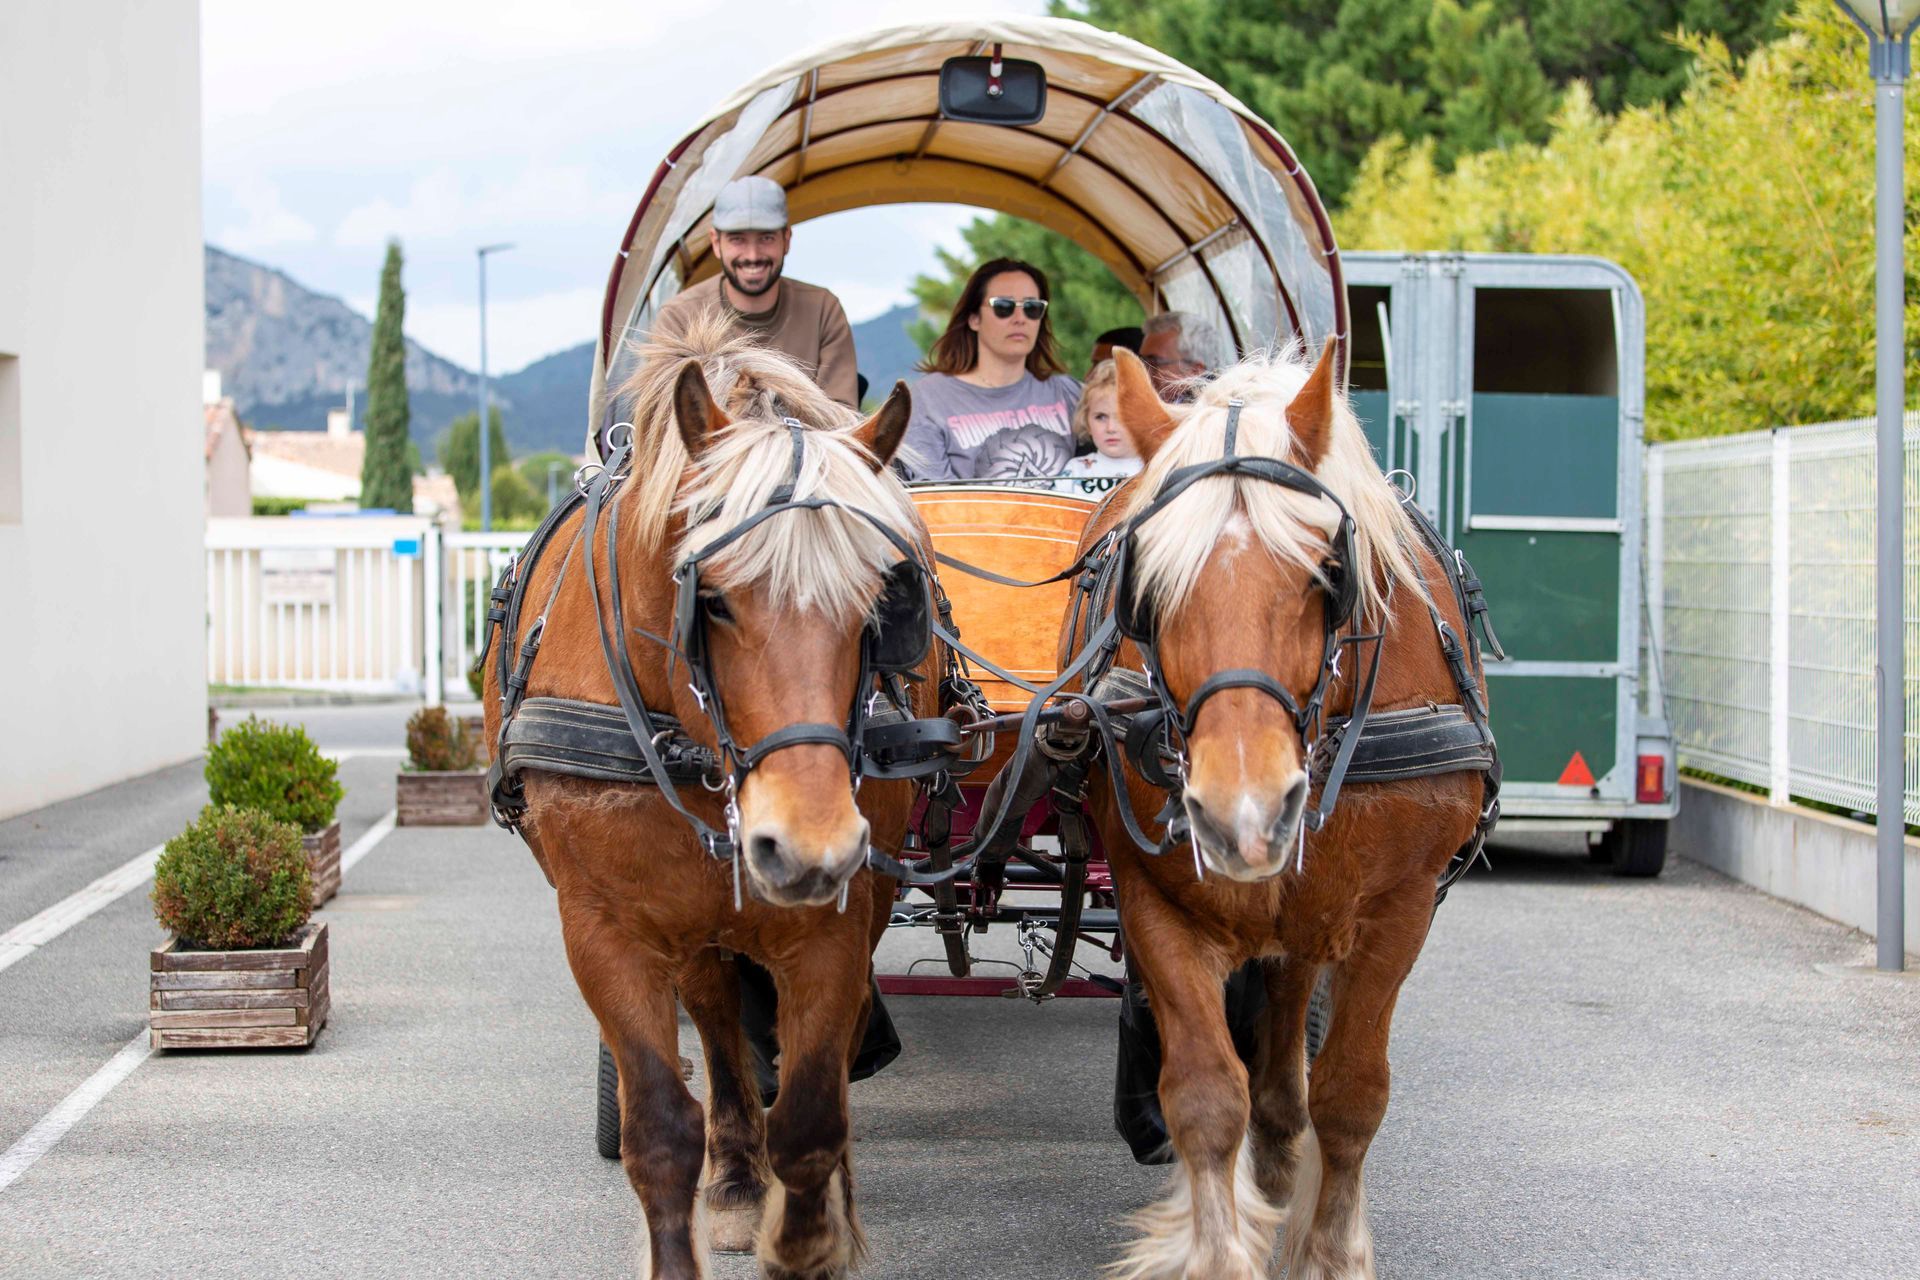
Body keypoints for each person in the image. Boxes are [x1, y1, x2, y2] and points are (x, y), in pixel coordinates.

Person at [650, 176, 859, 409]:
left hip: (803, 445)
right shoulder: (679, 316)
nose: (752, 255)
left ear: (786, 240)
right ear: (716, 243)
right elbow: (664, 415)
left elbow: (840, 413)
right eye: (737, 240)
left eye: (766, 238)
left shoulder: (823, 310)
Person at [901, 257, 1081, 481]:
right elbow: (935, 503)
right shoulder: (927, 399)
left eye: (1032, 308)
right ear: (974, 318)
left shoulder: (1069, 393)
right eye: (1003, 307)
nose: (1020, 318)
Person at [1053, 359, 1141, 497]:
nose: (1111, 428)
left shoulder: (1155, 470)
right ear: (1086, 422)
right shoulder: (1075, 470)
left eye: (1122, 417)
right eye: (1100, 417)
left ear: (1142, 420)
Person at [1139, 310, 1224, 402]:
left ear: (1195, 371)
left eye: (1154, 363)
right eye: (1141, 361)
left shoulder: (1210, 413)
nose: (1141, 371)